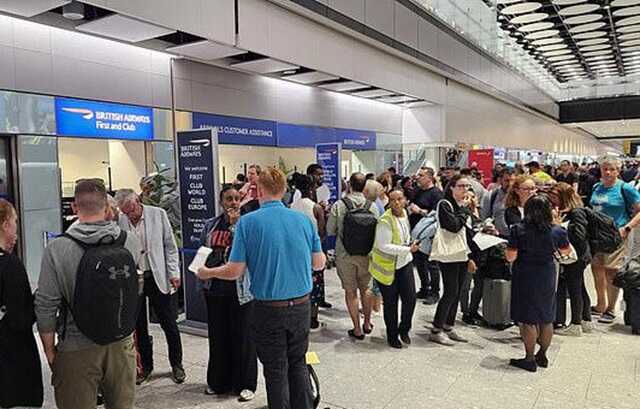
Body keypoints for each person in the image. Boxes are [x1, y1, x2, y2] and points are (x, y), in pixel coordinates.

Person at [196, 167, 325, 409]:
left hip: (268, 310)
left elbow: (235, 270)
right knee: (297, 362)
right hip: (300, 306)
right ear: (284, 189)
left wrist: (209, 272)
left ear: (259, 190)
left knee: (275, 369)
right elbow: (319, 264)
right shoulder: (304, 220)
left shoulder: (248, 223)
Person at [35, 179, 141, 408]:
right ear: (107, 207)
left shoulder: (57, 249)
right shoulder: (129, 241)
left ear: (74, 207)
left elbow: (45, 304)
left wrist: (50, 351)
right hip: (121, 343)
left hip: (75, 347)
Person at [115, 189, 185, 384]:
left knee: (168, 321)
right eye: (126, 212)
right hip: (134, 278)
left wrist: (174, 273)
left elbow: (170, 246)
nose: (131, 215)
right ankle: (146, 366)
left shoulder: (158, 214)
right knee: (138, 324)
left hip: (157, 275)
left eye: (132, 210)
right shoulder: (121, 220)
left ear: (138, 201)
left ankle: (176, 364)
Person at [199, 186, 257, 401]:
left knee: (244, 337)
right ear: (221, 201)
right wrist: (199, 271)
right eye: (228, 199)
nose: (233, 202)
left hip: (241, 290)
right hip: (215, 289)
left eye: (236, 198)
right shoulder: (211, 225)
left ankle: (246, 383)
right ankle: (218, 382)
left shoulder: (248, 225)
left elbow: (250, 253)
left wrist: (235, 227)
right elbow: (202, 250)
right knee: (218, 337)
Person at [506, 195, 570, 372]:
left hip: (525, 275)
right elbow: (566, 252)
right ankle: (542, 354)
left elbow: (510, 256)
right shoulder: (557, 231)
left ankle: (529, 358)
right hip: (547, 274)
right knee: (546, 316)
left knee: (528, 319)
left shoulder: (518, 230)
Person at [0, 199, 43, 409]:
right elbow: (21, 319)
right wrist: (38, 299)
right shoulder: (9, 265)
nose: (16, 227)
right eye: (15, 221)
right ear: (5, 224)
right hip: (12, 358)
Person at [327, 172, 379, 340]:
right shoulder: (372, 206)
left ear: (349, 185)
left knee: (351, 291)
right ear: (365, 186)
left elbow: (330, 230)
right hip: (367, 254)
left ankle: (356, 328)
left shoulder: (339, 205)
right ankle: (367, 323)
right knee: (367, 288)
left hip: (345, 254)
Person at [589, 157, 640, 324]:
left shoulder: (625, 188)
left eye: (611, 169)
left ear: (618, 171)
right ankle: (600, 305)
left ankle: (610, 309)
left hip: (616, 235)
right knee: (597, 269)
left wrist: (627, 228)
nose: (608, 172)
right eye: (605, 169)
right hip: (597, 236)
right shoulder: (597, 187)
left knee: (611, 271)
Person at [430, 174, 477, 346]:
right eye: (461, 186)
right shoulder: (445, 204)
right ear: (451, 187)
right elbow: (454, 226)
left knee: (458, 291)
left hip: (462, 253)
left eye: (467, 186)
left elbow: (468, 229)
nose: (465, 189)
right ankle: (436, 329)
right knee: (450, 291)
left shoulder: (464, 205)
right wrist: (465, 210)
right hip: (449, 254)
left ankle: (448, 326)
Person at [370, 189, 419, 348]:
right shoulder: (385, 220)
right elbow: (383, 245)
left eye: (399, 199)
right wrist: (407, 249)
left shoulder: (405, 214)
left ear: (405, 199)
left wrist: (409, 247)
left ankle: (404, 329)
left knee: (410, 299)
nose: (396, 203)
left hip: (405, 264)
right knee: (391, 304)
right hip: (388, 268)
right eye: (393, 200)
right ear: (389, 202)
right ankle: (392, 336)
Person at [547, 183, 594, 336]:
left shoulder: (576, 212)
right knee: (580, 287)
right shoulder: (567, 211)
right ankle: (586, 320)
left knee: (574, 288)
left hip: (576, 256)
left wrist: (560, 227)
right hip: (576, 254)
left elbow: (579, 236)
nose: (552, 199)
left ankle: (576, 324)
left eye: (555, 196)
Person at [291, 175, 327, 330]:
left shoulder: (292, 206)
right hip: (312, 251)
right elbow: (322, 232)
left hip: (295, 251)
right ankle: (313, 318)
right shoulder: (316, 208)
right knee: (315, 284)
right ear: (312, 188)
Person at [408, 167, 444, 304]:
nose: (418, 177)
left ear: (429, 177)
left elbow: (437, 215)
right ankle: (424, 287)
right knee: (419, 262)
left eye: (422, 175)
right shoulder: (417, 191)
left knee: (431, 263)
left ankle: (434, 292)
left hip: (428, 233)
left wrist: (421, 211)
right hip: (415, 232)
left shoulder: (436, 194)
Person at [481, 168, 515, 237]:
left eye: (513, 180)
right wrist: (488, 225)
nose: (510, 184)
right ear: (500, 180)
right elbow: (485, 218)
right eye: (507, 181)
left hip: (517, 238)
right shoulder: (491, 195)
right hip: (498, 237)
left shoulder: (520, 195)